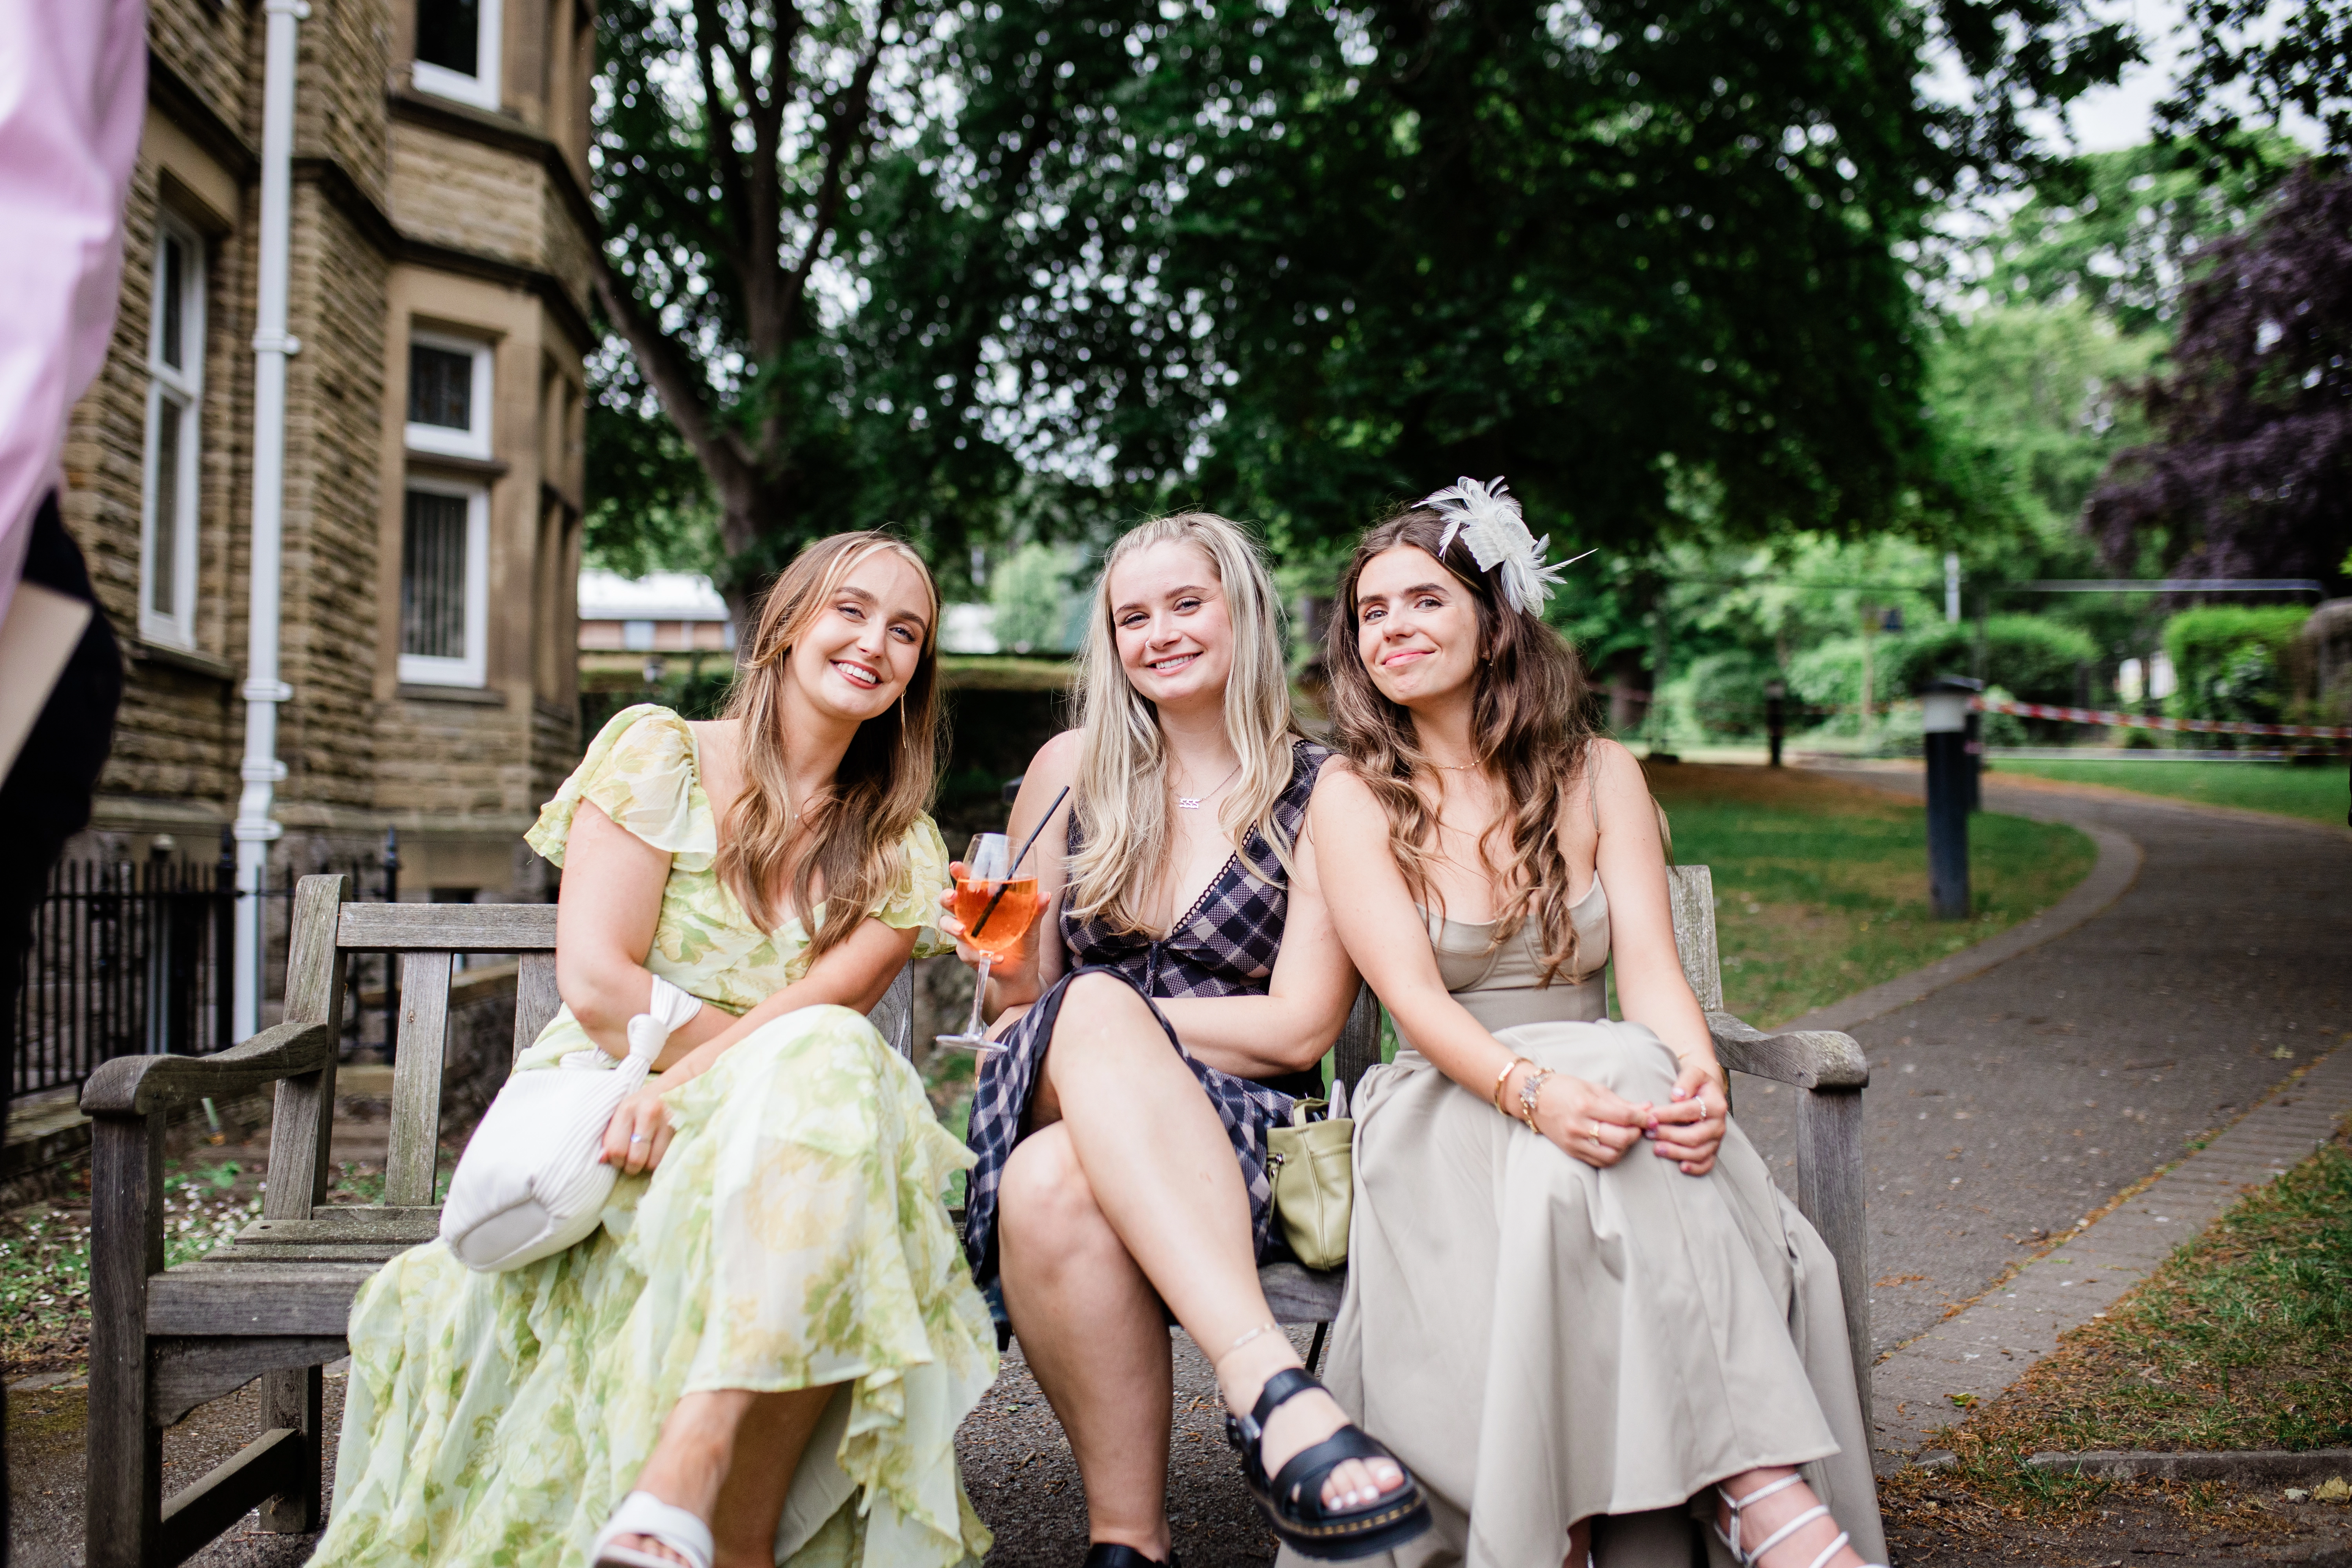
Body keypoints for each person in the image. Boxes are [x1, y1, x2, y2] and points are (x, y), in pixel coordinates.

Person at [314, 532, 995, 1568]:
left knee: (824, 1088)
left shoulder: (903, 845)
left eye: (907, 632)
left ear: (918, 675)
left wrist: (704, 1088)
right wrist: (690, 1090)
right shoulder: (659, 753)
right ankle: (730, 1545)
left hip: (782, 1127)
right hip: (618, 1103)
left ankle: (684, 1494)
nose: (875, 643)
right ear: (785, 626)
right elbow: (596, 983)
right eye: (851, 610)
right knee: (829, 1102)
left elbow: (827, 1010)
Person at [1303, 483, 1887, 1568]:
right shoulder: (1353, 796)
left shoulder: (1600, 774)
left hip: (1605, 1097)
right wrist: (1536, 1092)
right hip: (1450, 1100)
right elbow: (1416, 1005)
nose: (1394, 629)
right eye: (1372, 613)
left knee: (1621, 1094)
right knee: (1607, 1090)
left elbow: (1655, 980)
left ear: (1495, 620)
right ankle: (1759, 1497)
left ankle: (1570, 1526)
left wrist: (1699, 1081)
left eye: (1424, 601)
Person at [949, 512, 1431, 1565]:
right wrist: (1006, 961)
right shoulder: (1071, 769)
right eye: (1133, 616)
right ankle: (1269, 1386)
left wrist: (1104, 1016)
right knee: (1079, 1032)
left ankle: (1128, 1544)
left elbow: (1299, 1025)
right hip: (1060, 1091)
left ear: (1241, 613)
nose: (1159, 632)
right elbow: (1019, 1004)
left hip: (1247, 1138)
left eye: (1185, 604)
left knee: (1048, 1185)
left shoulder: (1323, 789)